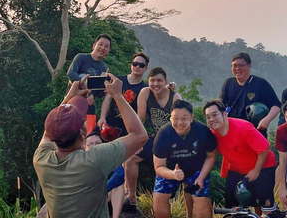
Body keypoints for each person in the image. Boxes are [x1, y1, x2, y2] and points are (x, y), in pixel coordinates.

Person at [33, 74, 148, 218]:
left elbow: (49, 132)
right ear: (83, 132)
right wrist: (118, 96)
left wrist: (68, 98)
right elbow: (140, 135)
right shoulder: (94, 160)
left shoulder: (41, 159)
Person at [203, 99, 277, 215]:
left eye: (215, 114)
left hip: (263, 165)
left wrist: (256, 171)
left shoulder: (243, 127)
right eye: (208, 117)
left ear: (224, 113)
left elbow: (265, 148)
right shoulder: (213, 134)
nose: (211, 119)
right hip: (237, 168)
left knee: (263, 203)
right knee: (231, 203)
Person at [123, 67, 181, 212]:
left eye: (159, 81)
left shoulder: (175, 98)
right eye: (152, 80)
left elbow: (182, 127)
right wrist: (137, 142)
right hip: (156, 139)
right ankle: (131, 197)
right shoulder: (145, 93)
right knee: (130, 159)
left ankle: (171, 202)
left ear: (166, 82)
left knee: (169, 172)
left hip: (173, 143)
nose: (156, 84)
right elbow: (140, 119)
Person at [152, 100, 217, 218]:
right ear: (170, 118)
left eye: (184, 118)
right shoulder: (163, 134)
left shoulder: (202, 131)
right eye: (175, 118)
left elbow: (211, 156)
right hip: (171, 170)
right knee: (159, 198)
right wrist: (173, 174)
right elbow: (158, 167)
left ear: (191, 118)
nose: (179, 123)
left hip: (197, 170)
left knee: (201, 200)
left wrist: (201, 177)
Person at [219, 52, 281, 136]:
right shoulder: (228, 83)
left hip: (255, 132)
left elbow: (276, 105)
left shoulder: (260, 84)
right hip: (233, 132)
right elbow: (220, 106)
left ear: (249, 66)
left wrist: (267, 119)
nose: (237, 68)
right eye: (234, 65)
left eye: (241, 65)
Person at [67, 33, 112, 133]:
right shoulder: (81, 58)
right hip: (72, 104)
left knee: (87, 138)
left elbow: (100, 95)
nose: (102, 48)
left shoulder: (104, 68)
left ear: (108, 51)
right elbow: (71, 73)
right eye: (100, 44)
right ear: (94, 45)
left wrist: (105, 83)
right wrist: (88, 92)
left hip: (89, 109)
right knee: (68, 135)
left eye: (106, 46)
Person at [98, 52, 149, 135]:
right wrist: (102, 117)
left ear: (146, 68)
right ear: (131, 65)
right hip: (109, 124)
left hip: (128, 129)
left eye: (141, 65)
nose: (137, 67)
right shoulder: (118, 81)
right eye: (135, 64)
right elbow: (108, 98)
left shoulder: (145, 89)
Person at [84, 131, 126, 218]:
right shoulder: (81, 160)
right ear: (85, 147)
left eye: (98, 143)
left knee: (119, 185)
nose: (94, 146)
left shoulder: (108, 159)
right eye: (90, 144)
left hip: (104, 197)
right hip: (85, 199)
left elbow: (120, 173)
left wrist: (103, 190)